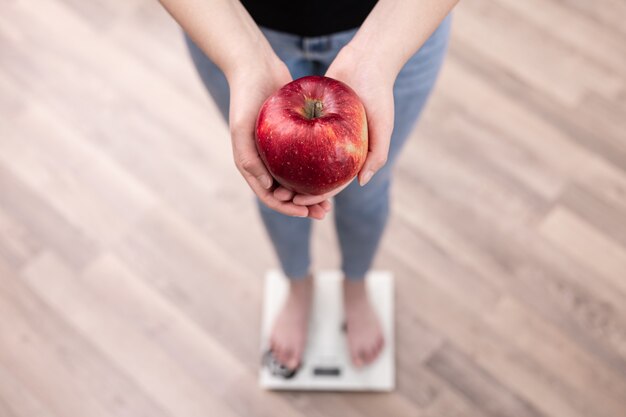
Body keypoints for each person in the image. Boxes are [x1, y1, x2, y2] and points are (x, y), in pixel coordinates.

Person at [159, 0, 459, 371]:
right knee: (275, 186)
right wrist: (244, 57)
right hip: (229, 21)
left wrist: (377, 54)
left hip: (400, 21)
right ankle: (297, 284)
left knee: (368, 189)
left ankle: (356, 283)